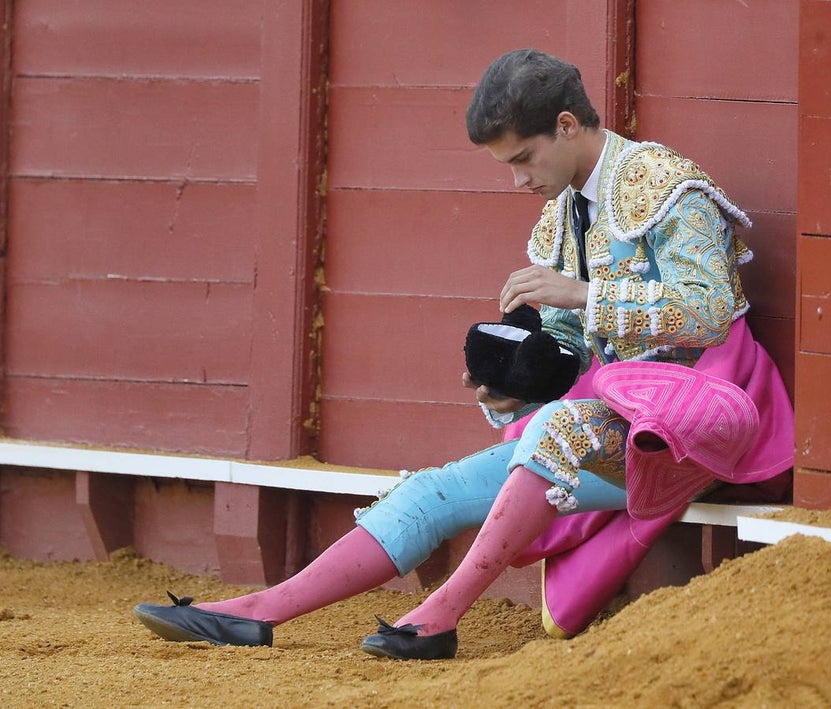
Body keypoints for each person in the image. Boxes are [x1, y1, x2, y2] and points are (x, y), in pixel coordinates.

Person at [134, 48, 794, 660]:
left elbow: (708, 310)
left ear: (567, 125)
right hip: (612, 420)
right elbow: (571, 352)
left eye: (523, 159)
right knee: (435, 486)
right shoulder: (567, 214)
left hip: (698, 421)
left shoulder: (668, 185)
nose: (516, 180)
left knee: (555, 428)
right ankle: (258, 610)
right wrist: (516, 382)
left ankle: (442, 614)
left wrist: (585, 293)